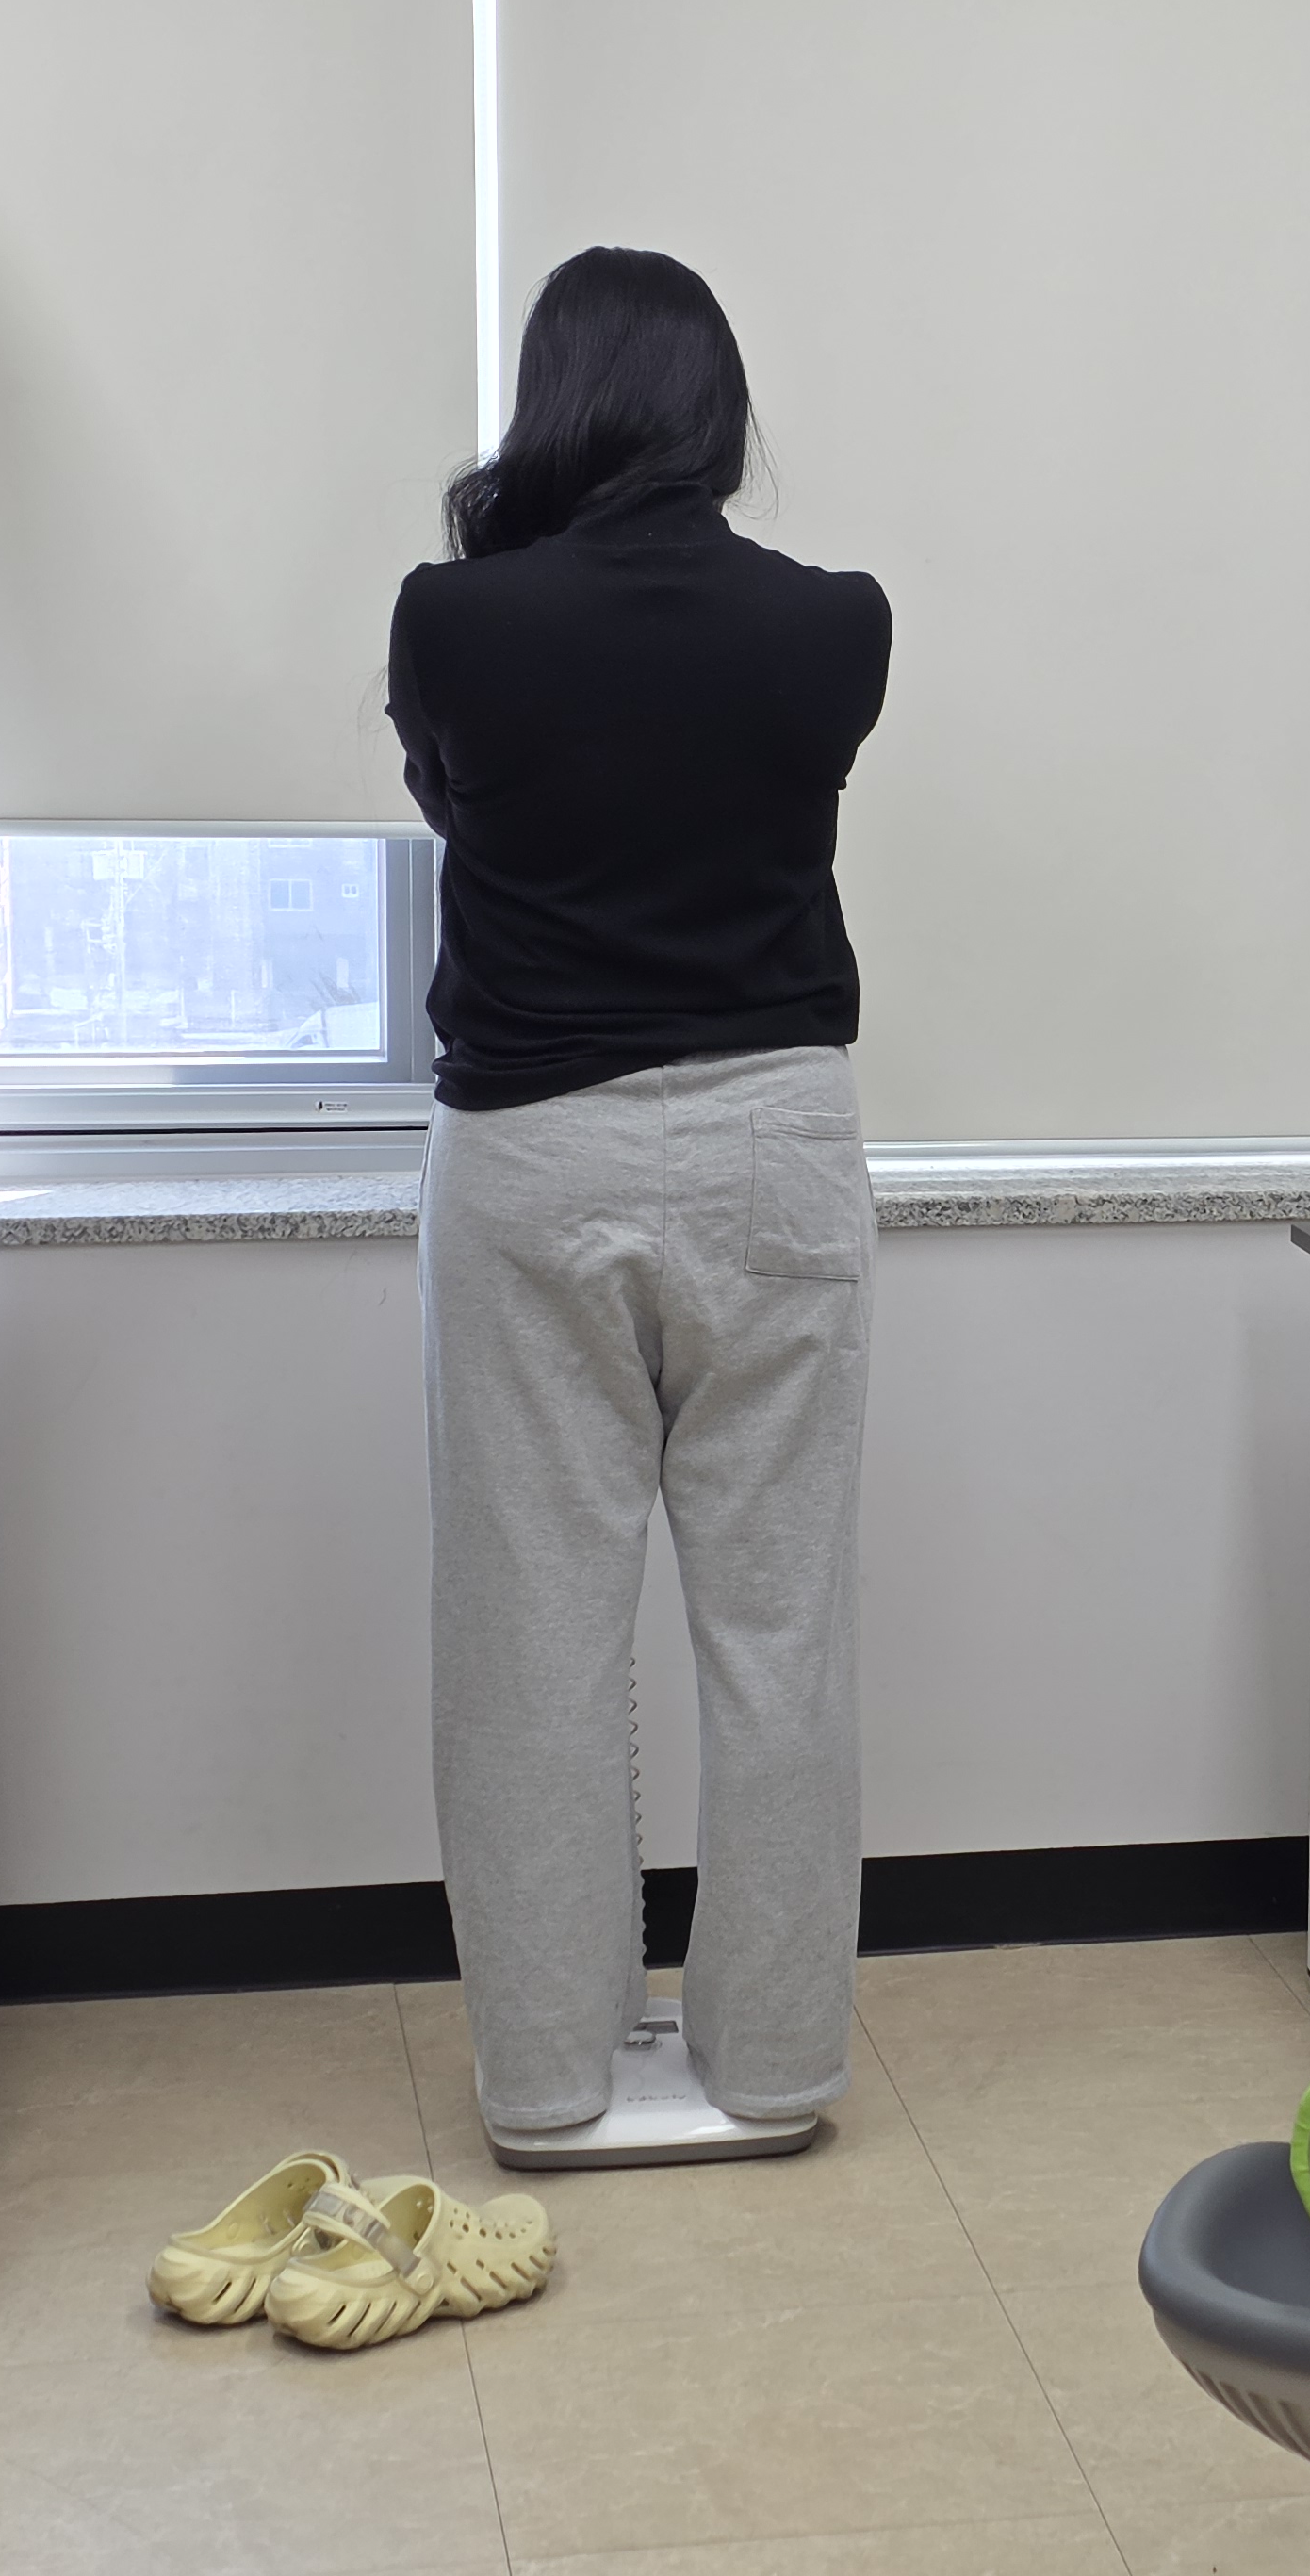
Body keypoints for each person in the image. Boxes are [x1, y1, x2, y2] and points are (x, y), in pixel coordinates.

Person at [388, 247, 891, 2164]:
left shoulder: (454, 619)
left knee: (530, 1636)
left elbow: (464, 810)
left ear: (556, 401)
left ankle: (544, 2081)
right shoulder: (835, 625)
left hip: (531, 1151)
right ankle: (774, 2070)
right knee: (781, 1632)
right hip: (777, 1145)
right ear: (716, 408)